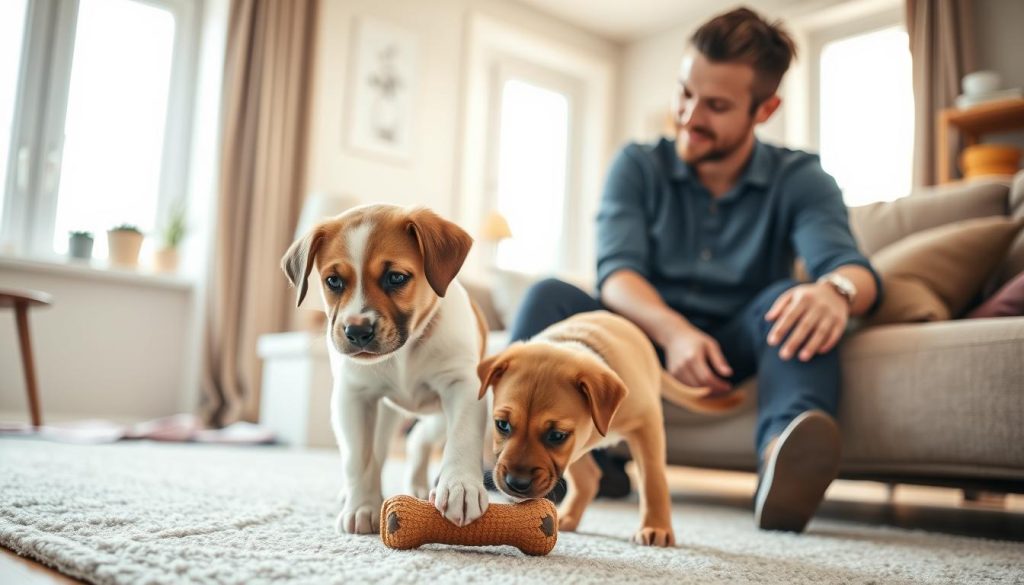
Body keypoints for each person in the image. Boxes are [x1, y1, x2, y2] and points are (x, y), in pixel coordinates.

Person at [507, 6, 882, 533]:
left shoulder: (800, 177)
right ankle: (511, 464)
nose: (688, 114)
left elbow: (852, 269)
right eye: (685, 92)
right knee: (549, 295)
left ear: (765, 109)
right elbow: (617, 274)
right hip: (638, 334)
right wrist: (674, 331)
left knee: (799, 301)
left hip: (736, 344)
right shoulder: (637, 164)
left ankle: (783, 457)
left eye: (716, 105)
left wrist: (835, 292)